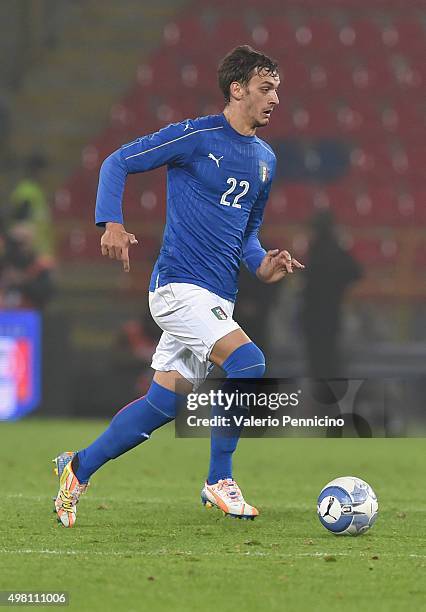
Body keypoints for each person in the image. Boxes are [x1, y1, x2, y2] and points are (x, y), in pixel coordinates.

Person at [53, 45, 304, 528]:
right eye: (265, 88)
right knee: (249, 363)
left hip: (216, 296)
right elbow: (117, 161)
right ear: (237, 89)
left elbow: (246, 234)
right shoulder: (194, 136)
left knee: (162, 404)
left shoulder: (265, 159)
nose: (275, 99)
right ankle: (218, 479)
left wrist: (264, 266)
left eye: (277, 90)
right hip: (178, 288)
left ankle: (77, 467)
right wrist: (110, 222)